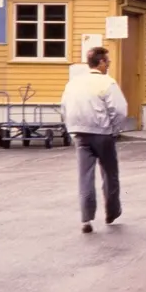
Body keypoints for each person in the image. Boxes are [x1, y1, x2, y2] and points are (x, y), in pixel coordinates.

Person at [60, 46, 129, 233]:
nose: (109, 66)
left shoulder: (73, 83)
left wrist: (71, 128)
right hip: (102, 133)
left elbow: (64, 107)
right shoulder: (107, 82)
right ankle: (112, 212)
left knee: (85, 176)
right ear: (101, 63)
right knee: (110, 174)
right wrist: (114, 128)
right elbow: (120, 110)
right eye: (108, 62)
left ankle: (86, 219)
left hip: (80, 133)